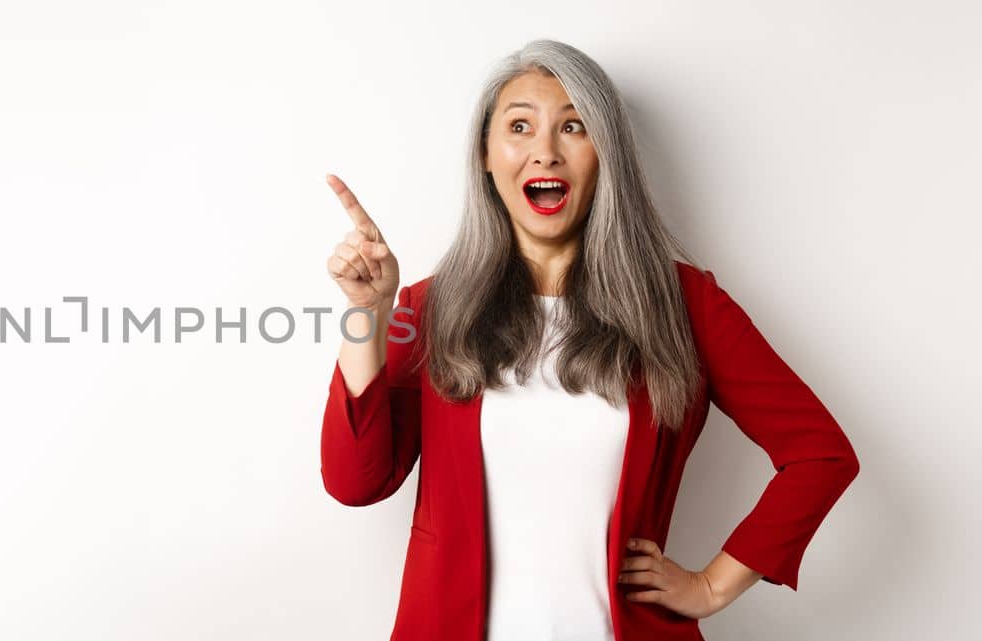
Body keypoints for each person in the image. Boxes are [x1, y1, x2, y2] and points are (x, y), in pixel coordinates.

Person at [319, 39, 860, 641]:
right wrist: (367, 313)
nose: (544, 152)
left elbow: (820, 454)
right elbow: (356, 482)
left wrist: (712, 585)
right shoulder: (429, 307)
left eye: (573, 126)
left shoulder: (684, 305)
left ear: (607, 153)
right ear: (487, 156)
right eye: (519, 126)